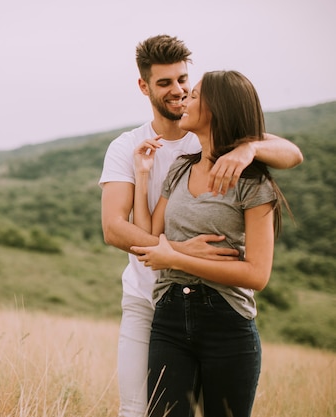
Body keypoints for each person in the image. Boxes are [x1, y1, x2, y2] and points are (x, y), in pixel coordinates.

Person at [98, 35, 303, 417]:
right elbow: (114, 228)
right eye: (165, 84)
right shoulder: (136, 149)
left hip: (221, 308)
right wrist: (176, 251)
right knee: (136, 409)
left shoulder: (240, 167)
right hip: (154, 301)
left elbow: (294, 154)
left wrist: (250, 148)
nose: (179, 92)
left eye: (185, 83)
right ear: (144, 87)